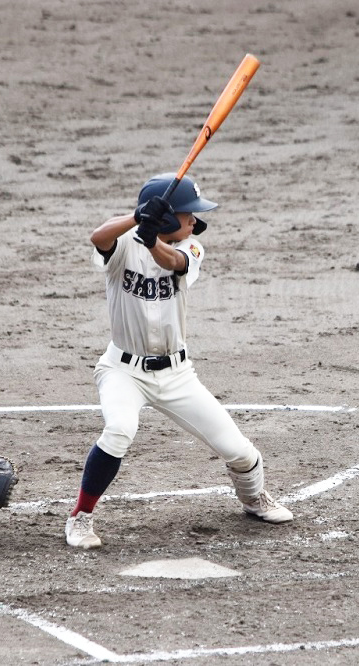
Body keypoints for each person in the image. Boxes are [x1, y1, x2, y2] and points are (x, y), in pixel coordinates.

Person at [64, 172, 294, 550]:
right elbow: (98, 236)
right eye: (188, 214)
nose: (194, 220)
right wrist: (138, 218)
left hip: (177, 374)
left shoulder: (193, 247)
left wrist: (151, 237)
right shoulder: (122, 245)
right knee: (119, 429)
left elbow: (173, 261)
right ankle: (80, 518)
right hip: (123, 371)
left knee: (239, 451)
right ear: (166, 215)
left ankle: (254, 499)